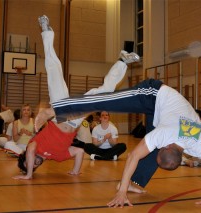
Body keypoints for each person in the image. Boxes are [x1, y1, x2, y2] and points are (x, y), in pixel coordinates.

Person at [35, 79, 201, 209]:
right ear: (168, 147)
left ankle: (134, 183)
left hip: (164, 113)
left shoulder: (198, 145)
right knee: (108, 102)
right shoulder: (163, 135)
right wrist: (121, 193)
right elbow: (133, 156)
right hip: (153, 93)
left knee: (149, 152)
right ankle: (53, 110)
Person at [13, 15, 140, 180]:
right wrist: (75, 170)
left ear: (26, 159)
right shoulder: (57, 157)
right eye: (33, 167)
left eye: (29, 163)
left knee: (54, 70)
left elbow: (30, 152)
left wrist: (28, 174)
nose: (34, 163)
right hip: (75, 119)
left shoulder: (33, 146)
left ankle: (46, 31)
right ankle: (123, 61)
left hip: (60, 113)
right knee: (103, 93)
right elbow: (79, 151)